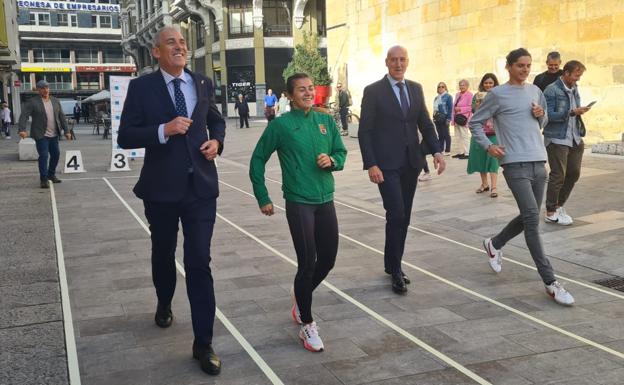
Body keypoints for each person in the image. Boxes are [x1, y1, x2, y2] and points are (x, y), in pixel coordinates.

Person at [117, 26, 225, 375]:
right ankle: (164, 301)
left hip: (201, 190)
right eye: (171, 43)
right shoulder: (141, 87)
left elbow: (216, 122)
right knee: (163, 252)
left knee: (198, 262)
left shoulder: (202, 83)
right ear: (156, 52)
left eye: (182, 42)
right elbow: (125, 135)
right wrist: (163, 130)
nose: (179, 47)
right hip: (161, 190)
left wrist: (217, 143)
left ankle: (203, 343)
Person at [469, 47, 575, 306]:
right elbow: (474, 122)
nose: (525, 70)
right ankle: (550, 281)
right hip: (514, 163)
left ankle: (494, 244)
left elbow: (542, 123)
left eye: (528, 65)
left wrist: (541, 116)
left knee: (530, 215)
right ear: (509, 66)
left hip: (539, 161)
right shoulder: (496, 94)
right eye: (520, 66)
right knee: (531, 220)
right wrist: (489, 146)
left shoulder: (535, 91)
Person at [249, 73, 347, 352]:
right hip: (298, 201)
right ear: (290, 95)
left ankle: (300, 293)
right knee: (307, 261)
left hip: (325, 199)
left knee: (327, 260)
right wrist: (263, 196)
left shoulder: (325, 121)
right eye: (301, 90)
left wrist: (333, 160)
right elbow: (257, 160)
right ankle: (307, 322)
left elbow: (341, 152)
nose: (307, 93)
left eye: (310, 88)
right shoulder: (280, 126)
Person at [358, 45, 446, 295]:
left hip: (411, 162)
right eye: (394, 60)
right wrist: (371, 163)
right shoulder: (374, 91)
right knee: (396, 212)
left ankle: (391, 262)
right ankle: (396, 270)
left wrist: (437, 151)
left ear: (407, 62)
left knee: (404, 215)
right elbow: (365, 131)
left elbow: (426, 124)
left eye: (402, 60)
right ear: (386, 62)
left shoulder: (415, 89)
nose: (398, 64)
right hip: (385, 165)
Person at [543, 60, 591, 226]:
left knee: (574, 173)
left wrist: (580, 111)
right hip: (557, 138)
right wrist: (571, 112)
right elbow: (548, 115)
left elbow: (573, 111)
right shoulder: (551, 90)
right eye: (576, 76)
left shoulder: (574, 88)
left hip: (575, 137)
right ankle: (550, 211)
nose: (578, 79)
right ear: (567, 73)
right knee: (558, 175)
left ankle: (559, 206)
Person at [18, 80, 70, 188]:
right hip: (41, 134)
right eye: (42, 88)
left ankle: (51, 174)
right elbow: (23, 116)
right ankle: (43, 179)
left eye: (47, 88)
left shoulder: (55, 101)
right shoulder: (32, 102)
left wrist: (67, 131)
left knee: (56, 154)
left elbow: (62, 117)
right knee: (44, 155)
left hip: (54, 134)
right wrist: (22, 129)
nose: (45, 90)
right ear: (38, 90)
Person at [467, 73, 500, 198]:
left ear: (495, 84)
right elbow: (474, 111)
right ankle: (484, 184)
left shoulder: (499, 95)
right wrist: (479, 104)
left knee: (493, 161)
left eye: (491, 83)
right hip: (480, 132)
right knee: (481, 159)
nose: (488, 85)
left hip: (494, 132)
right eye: (486, 83)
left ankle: (494, 186)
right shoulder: (477, 95)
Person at [451, 79, 473, 159]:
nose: (461, 86)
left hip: (464, 118)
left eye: (463, 85)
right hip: (457, 118)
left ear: (467, 86)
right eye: (460, 85)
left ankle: (467, 153)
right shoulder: (457, 94)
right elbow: (454, 107)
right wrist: (452, 120)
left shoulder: (470, 95)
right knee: (458, 136)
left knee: (464, 136)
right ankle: (461, 152)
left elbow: (471, 107)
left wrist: (460, 109)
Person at [432, 82, 453, 156]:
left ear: (445, 88)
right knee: (440, 135)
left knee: (446, 134)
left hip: (444, 117)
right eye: (439, 87)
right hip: (437, 118)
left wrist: (449, 119)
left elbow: (450, 108)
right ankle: (441, 149)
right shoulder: (436, 97)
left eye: (442, 86)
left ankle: (447, 150)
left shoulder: (448, 97)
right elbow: (435, 109)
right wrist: (433, 117)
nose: (440, 88)